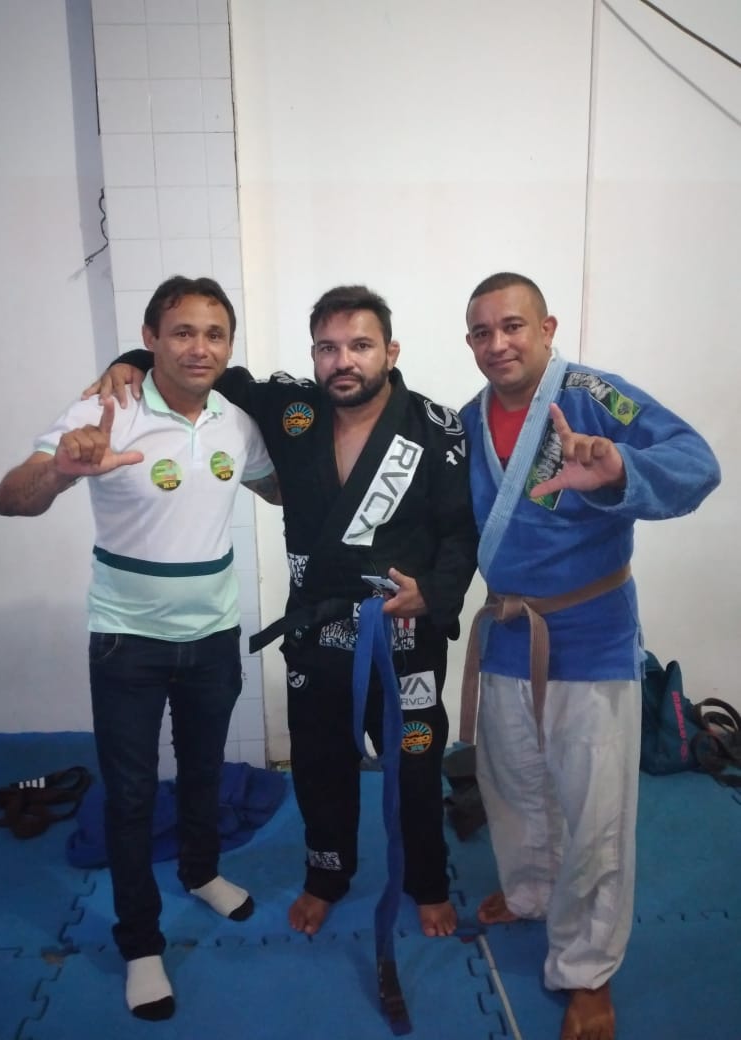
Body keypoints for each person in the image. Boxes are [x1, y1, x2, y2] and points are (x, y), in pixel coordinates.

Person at [90, 285, 479, 939]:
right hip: (317, 635)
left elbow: (460, 531)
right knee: (320, 766)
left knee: (415, 763)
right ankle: (326, 877)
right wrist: (132, 360)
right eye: (328, 348)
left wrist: (436, 594)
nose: (343, 361)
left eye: (360, 345)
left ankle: (428, 881)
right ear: (314, 354)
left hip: (403, 634)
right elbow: (206, 371)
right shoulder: (292, 409)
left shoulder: (435, 428)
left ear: (391, 351)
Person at [0, 276, 281, 1022]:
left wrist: (328, 442)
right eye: (182, 332)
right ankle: (141, 942)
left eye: (215, 334)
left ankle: (202, 872)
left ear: (229, 345)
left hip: (213, 635)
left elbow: (282, 489)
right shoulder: (106, 408)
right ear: (150, 338)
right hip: (127, 640)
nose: (199, 348)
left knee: (205, 771)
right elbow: (10, 498)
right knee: (128, 795)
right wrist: (61, 468)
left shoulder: (235, 422)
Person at [458, 272, 721, 1040]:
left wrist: (622, 473)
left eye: (513, 325)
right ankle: (532, 892)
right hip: (508, 634)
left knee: (596, 814)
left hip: (592, 636)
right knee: (513, 785)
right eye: (482, 332)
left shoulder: (597, 398)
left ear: (547, 328)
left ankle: (588, 969)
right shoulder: (467, 420)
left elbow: (697, 461)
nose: (498, 344)